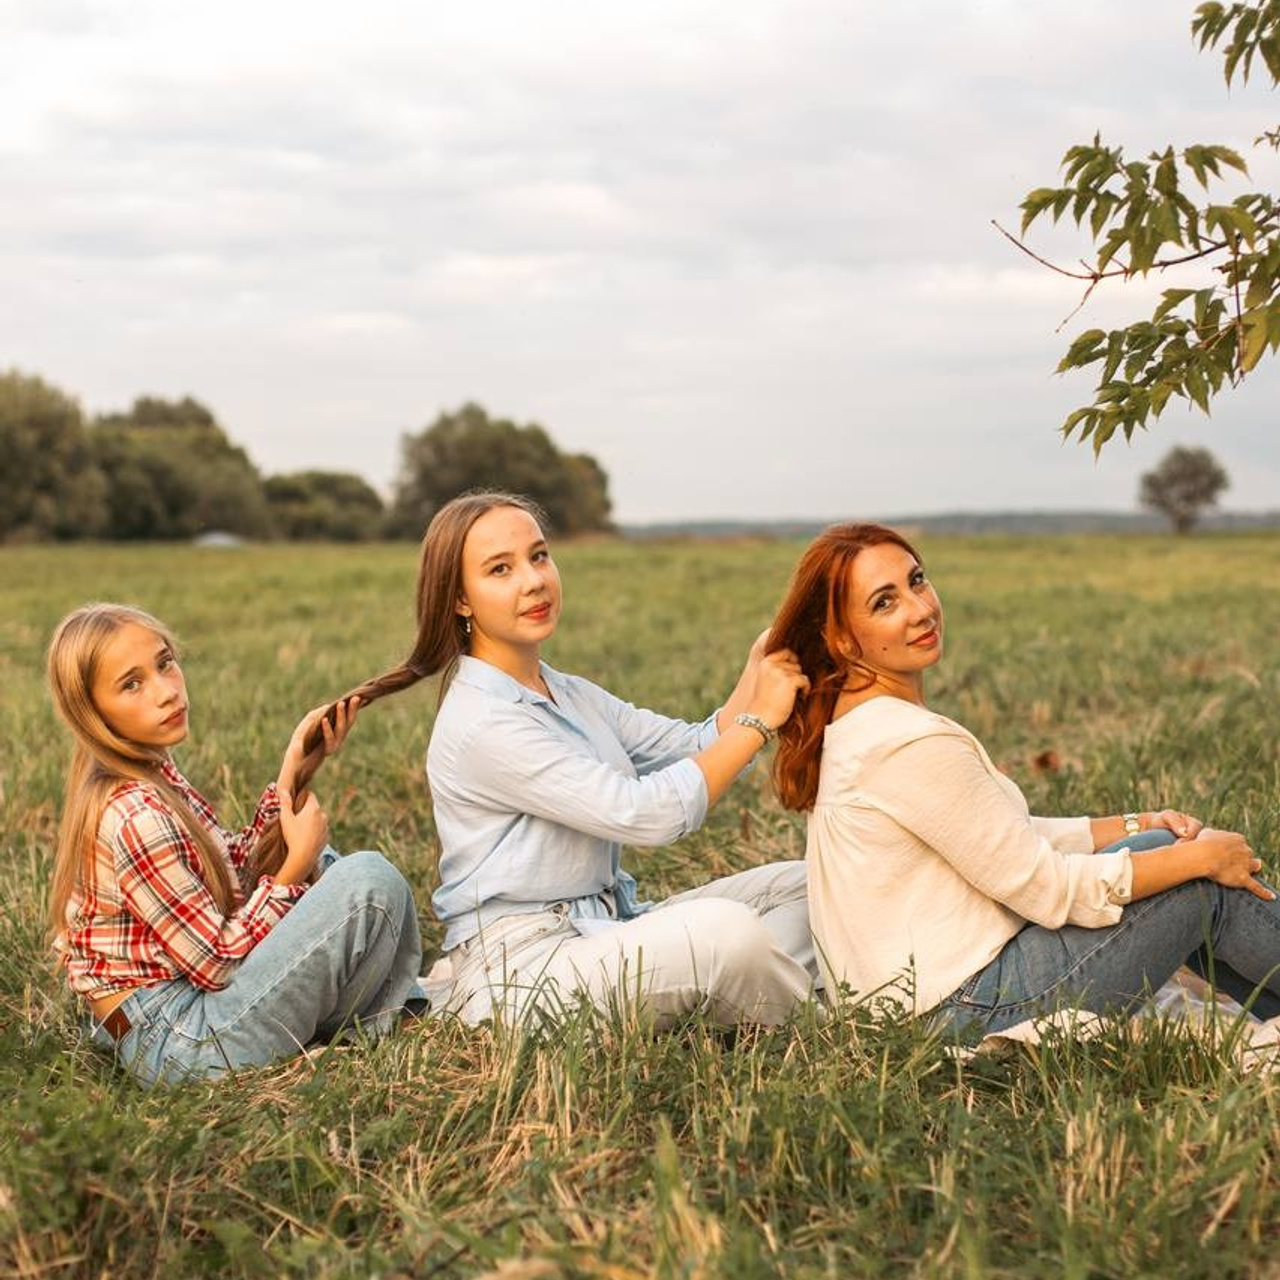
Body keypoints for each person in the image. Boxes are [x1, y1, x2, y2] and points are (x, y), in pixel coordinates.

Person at [323, 490, 818, 1028]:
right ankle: (827, 1030)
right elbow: (644, 815)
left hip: (607, 926)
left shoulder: (566, 690)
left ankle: (759, 991)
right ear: (460, 599)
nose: (534, 580)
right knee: (727, 934)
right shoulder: (485, 720)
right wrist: (759, 721)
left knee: (813, 884)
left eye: (539, 556)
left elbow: (696, 746)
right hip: (524, 973)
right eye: (500, 569)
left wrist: (757, 667)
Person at [765, 522, 1279, 1037]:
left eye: (916, 580)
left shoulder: (859, 725)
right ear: (841, 639)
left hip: (917, 1002)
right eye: (884, 603)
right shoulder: (907, 743)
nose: (921, 610)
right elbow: (1046, 889)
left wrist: (1134, 824)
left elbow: (996, 838)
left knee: (1161, 847)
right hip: (959, 1010)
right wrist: (1197, 859)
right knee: (1195, 882)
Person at [47, 603, 425, 1086]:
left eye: (164, 663)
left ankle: (357, 1003)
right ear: (92, 713)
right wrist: (295, 868)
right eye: (132, 684)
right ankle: (378, 1010)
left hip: (173, 1010)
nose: (166, 691)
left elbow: (234, 872)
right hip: (182, 1042)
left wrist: (295, 766)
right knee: (367, 883)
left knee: (328, 868)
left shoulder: (151, 771)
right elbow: (217, 963)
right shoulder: (135, 815)